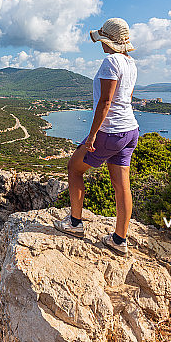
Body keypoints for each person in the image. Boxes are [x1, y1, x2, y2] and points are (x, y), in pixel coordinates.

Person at [53, 17, 139, 256]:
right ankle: (119, 239)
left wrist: (92, 135)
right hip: (131, 130)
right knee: (122, 185)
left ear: (108, 41)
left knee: (74, 167)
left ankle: (75, 223)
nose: (99, 43)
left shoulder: (110, 61)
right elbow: (127, 98)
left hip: (110, 131)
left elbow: (106, 101)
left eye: (101, 39)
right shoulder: (131, 63)